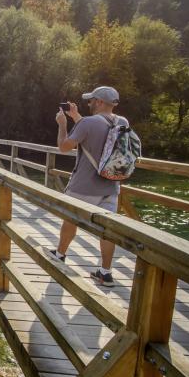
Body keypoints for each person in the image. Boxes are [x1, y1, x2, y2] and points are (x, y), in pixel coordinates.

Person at [49, 86, 128, 287]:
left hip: (83, 186)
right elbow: (97, 133)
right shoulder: (122, 122)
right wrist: (77, 116)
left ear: (100, 102)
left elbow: (64, 147)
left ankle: (60, 255)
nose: (89, 103)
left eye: (92, 100)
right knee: (108, 230)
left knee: (70, 219)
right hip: (111, 186)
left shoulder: (88, 123)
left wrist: (62, 124)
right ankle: (105, 273)